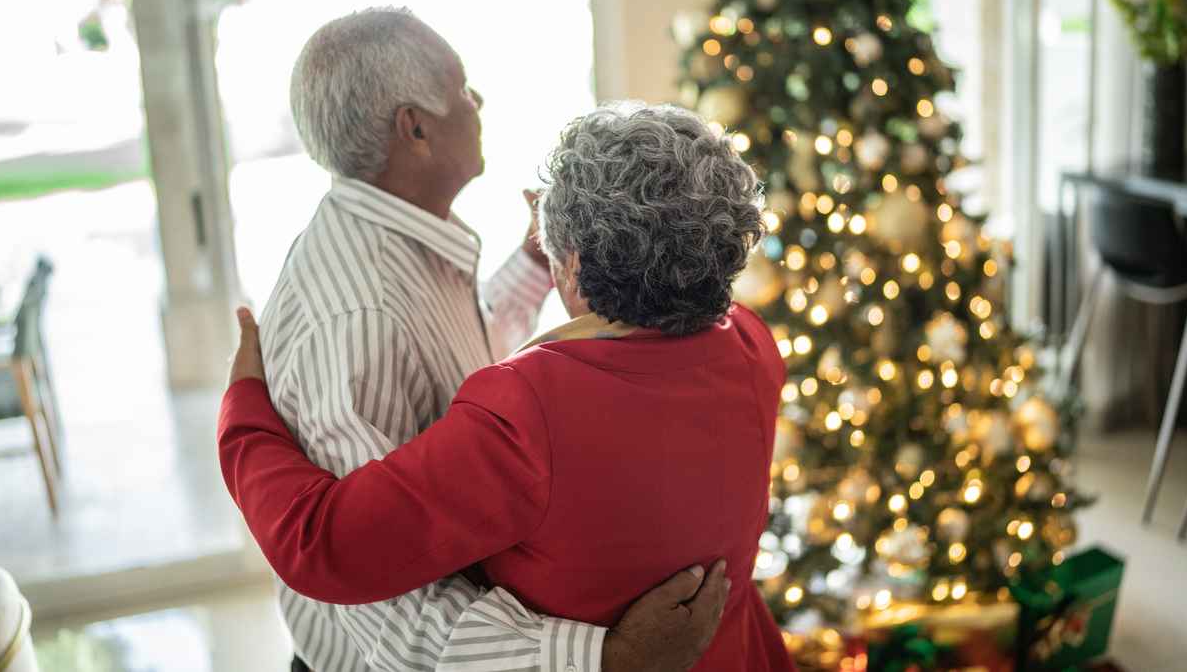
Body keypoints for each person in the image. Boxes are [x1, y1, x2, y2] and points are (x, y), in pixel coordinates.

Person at [220, 103, 798, 672]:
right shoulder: (751, 343)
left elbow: (321, 546)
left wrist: (245, 411)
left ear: (569, 263)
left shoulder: (528, 409)